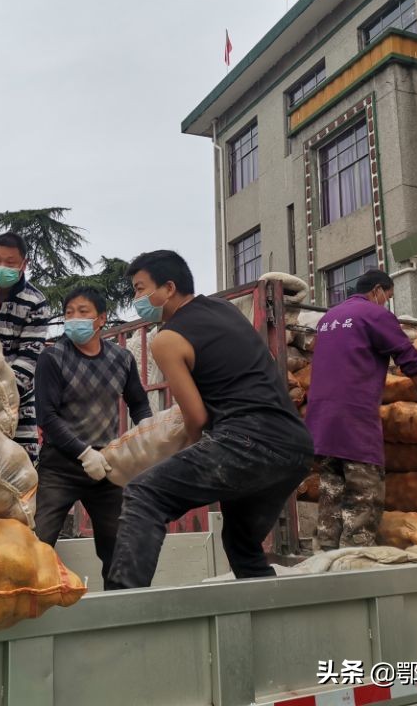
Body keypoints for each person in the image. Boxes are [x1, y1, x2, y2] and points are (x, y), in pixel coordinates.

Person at [104, 251, 313, 589]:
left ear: (168, 288)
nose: (136, 299)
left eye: (140, 289)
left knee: (145, 494)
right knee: (241, 541)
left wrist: (171, 450)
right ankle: (267, 616)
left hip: (247, 441)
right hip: (295, 447)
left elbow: (196, 417)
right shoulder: (224, 310)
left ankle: (121, 611)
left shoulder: (167, 339)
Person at [305, 269, 417, 551]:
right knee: (363, 494)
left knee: (331, 492)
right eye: (388, 297)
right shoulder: (374, 313)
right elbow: (407, 354)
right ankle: (355, 562)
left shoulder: (329, 319)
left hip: (321, 420)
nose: (386, 303)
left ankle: (324, 554)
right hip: (354, 417)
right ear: (378, 291)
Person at [34, 286, 152, 584]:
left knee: (119, 544)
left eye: (83, 312)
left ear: (101, 318)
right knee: (39, 538)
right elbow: (47, 417)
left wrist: (148, 434)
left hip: (106, 464)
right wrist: (83, 452)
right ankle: (30, 605)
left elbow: (138, 402)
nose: (74, 318)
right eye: (69, 312)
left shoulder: (122, 359)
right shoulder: (53, 358)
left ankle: (121, 608)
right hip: (61, 464)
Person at [0, 232, 52, 462]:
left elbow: (28, 359)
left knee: (23, 460)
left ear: (24, 264)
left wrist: (1, 397)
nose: (2, 267)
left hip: (16, 396)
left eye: (10, 263)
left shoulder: (35, 303)